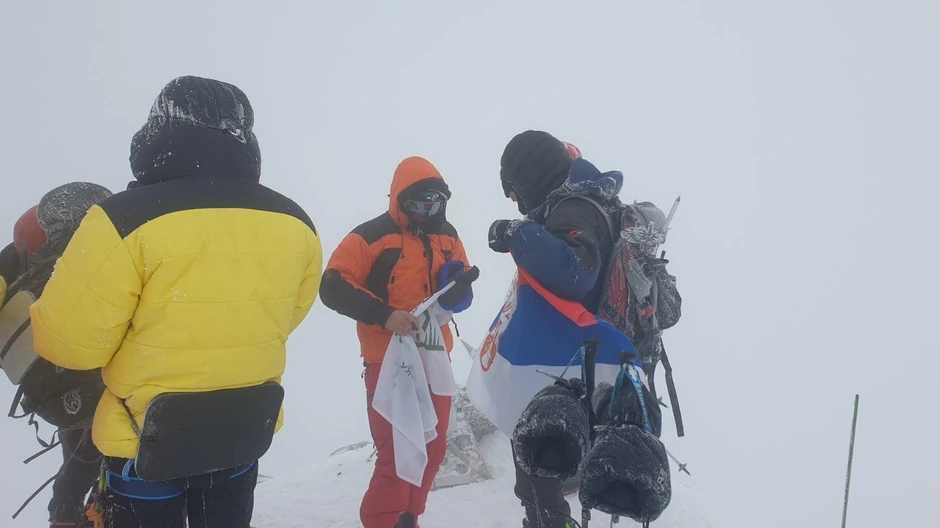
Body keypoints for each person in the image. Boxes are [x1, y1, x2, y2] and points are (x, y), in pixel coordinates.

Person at [29, 76, 323, 528]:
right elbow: (290, 315)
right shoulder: (295, 220)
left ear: (158, 131)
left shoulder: (123, 217)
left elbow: (67, 345)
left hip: (144, 443)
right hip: (241, 436)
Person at [488, 131, 677, 527]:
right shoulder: (595, 201)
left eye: (513, 193)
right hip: (604, 361)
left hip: (576, 364)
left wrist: (513, 233)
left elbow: (574, 274)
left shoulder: (572, 207)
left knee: (536, 461)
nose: (518, 205)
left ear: (528, 179)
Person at [319, 156, 474, 528]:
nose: (425, 212)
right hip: (386, 361)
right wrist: (385, 315)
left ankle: (408, 520)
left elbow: (461, 288)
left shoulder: (448, 235)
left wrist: (458, 293)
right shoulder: (371, 236)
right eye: (417, 203)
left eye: (433, 204)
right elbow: (332, 284)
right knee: (396, 455)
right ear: (399, 200)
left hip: (434, 359)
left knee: (433, 449)